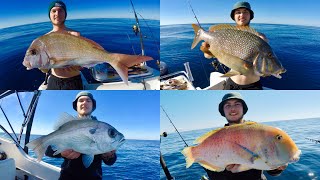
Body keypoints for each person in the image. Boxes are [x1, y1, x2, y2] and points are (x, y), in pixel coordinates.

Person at [205, 92, 287, 180]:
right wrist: (225, 169)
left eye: (237, 104)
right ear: (223, 111)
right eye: (227, 105)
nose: (232, 108)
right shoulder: (216, 139)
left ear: (243, 108)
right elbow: (213, 171)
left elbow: (269, 168)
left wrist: (278, 167)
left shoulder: (259, 132)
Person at [45, 91, 117, 180]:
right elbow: (47, 151)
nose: (84, 103)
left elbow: (110, 162)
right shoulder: (67, 125)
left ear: (92, 106)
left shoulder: (102, 129)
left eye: (88, 100)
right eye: (81, 100)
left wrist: (109, 156)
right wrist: (62, 152)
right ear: (76, 106)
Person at [201, 2, 268, 90]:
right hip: (231, 82)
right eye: (238, 12)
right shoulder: (225, 34)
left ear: (250, 15)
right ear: (234, 16)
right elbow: (208, 56)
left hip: (252, 85)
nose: (242, 15)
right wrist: (207, 50)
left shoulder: (260, 37)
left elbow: (265, 61)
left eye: (245, 12)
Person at [46, 1, 83, 90]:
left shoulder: (75, 35)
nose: (57, 13)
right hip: (54, 81)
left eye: (60, 10)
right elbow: (44, 68)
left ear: (65, 14)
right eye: (53, 11)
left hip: (74, 81)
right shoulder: (45, 39)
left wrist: (80, 65)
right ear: (49, 15)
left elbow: (82, 63)